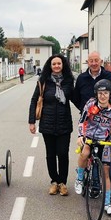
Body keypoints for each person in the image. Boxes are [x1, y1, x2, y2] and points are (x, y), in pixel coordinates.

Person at [73, 51, 111, 202]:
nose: (93, 63)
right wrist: (81, 135)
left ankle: (110, 198)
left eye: (96, 60)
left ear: (101, 61)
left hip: (105, 137)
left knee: (107, 167)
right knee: (86, 152)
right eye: (91, 60)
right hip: (90, 128)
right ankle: (81, 178)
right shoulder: (82, 79)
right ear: (88, 62)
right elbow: (75, 98)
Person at [29, 54, 74, 196]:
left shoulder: (68, 80)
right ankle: (54, 181)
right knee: (50, 154)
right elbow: (34, 100)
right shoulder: (43, 81)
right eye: (54, 64)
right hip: (47, 124)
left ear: (63, 65)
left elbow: (73, 97)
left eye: (59, 64)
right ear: (50, 65)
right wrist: (31, 121)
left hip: (64, 123)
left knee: (63, 154)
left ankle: (63, 183)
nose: (56, 66)